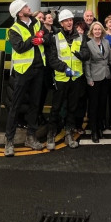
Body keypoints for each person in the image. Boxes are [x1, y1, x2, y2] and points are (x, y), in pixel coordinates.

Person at [4, 0, 48, 157]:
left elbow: (46, 36)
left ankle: (31, 136)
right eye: (25, 7)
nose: (29, 7)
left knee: (34, 105)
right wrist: (33, 40)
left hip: (38, 68)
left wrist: (42, 38)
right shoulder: (14, 29)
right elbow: (20, 48)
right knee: (15, 106)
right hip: (23, 71)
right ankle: (9, 141)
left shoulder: (36, 22)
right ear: (19, 12)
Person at [44, 9, 88, 149]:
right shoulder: (55, 38)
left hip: (76, 78)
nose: (69, 22)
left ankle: (69, 134)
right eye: (66, 21)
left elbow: (86, 53)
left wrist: (81, 55)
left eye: (70, 20)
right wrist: (64, 68)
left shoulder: (81, 37)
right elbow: (52, 59)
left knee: (72, 108)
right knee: (56, 107)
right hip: (62, 78)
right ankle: (51, 134)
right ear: (61, 23)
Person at [83, 21, 111, 143]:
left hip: (106, 77)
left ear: (102, 31)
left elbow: (110, 60)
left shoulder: (106, 42)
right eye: (95, 29)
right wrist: (89, 79)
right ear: (92, 31)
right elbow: (87, 63)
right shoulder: (88, 44)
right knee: (93, 105)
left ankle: (100, 127)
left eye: (99, 29)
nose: (97, 31)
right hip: (94, 79)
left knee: (102, 105)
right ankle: (94, 130)